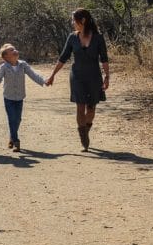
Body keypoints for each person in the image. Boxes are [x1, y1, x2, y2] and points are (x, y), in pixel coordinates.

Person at [45, 8, 110, 152]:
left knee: (91, 108)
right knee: (80, 106)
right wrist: (52, 75)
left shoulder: (98, 38)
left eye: (74, 20)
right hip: (77, 76)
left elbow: (104, 59)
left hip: (94, 76)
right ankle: (84, 138)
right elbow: (63, 58)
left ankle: (85, 129)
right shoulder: (72, 37)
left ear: (83, 20)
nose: (72, 23)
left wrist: (107, 77)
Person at [0, 43, 46, 152]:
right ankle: (16, 141)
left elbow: (33, 74)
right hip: (9, 97)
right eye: (11, 50)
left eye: (15, 49)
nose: (15, 51)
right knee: (12, 118)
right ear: (6, 57)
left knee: (18, 119)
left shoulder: (23, 65)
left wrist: (44, 81)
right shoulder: (4, 67)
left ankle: (12, 137)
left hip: (20, 97)